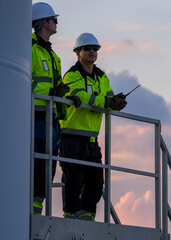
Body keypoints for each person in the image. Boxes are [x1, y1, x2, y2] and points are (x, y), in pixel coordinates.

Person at [59, 33, 127, 221]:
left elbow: (109, 97)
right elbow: (86, 97)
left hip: (91, 139)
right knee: (73, 179)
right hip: (71, 136)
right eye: (87, 48)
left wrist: (116, 100)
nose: (92, 51)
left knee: (96, 181)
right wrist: (108, 101)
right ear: (77, 52)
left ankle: (88, 214)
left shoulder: (101, 77)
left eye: (95, 48)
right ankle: (71, 214)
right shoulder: (72, 75)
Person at [31, 2, 70, 215]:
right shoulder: (29, 49)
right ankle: (31, 210)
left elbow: (52, 85)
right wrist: (51, 92)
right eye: (54, 19)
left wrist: (63, 93)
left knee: (49, 165)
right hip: (34, 114)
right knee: (36, 162)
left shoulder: (54, 57)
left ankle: (37, 208)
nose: (57, 23)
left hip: (51, 117)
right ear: (44, 23)